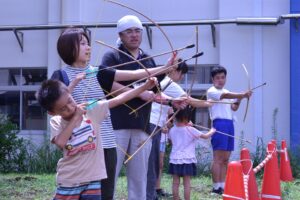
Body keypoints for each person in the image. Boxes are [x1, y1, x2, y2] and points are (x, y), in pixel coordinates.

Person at [51, 28, 177, 200]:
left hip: (106, 143)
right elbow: (55, 108)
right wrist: (73, 84)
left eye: (88, 43)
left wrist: (164, 68)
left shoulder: (98, 72)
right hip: (79, 145)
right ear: (68, 47)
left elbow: (132, 75)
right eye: (81, 43)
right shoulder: (61, 75)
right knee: (74, 193)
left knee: (105, 194)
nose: (87, 47)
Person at [99, 15, 185, 200]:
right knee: (110, 175)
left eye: (137, 31)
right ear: (120, 35)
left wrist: (171, 101)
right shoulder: (112, 55)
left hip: (142, 125)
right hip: (116, 124)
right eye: (128, 31)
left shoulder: (148, 59)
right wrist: (139, 92)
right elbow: (105, 83)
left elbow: (154, 93)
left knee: (139, 178)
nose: (134, 35)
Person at [36, 77, 157, 200]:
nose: (70, 108)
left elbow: (118, 100)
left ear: (70, 94)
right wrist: (76, 117)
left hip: (93, 179)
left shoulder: (91, 109)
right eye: (63, 108)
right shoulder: (56, 121)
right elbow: (60, 143)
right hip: (69, 180)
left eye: (69, 101)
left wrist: (144, 87)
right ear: (52, 112)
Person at [147, 59, 211, 200]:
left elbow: (172, 105)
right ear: (174, 71)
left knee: (154, 162)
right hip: (153, 123)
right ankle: (150, 195)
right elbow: (188, 100)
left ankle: (151, 193)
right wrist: (208, 102)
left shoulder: (164, 83)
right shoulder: (170, 83)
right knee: (152, 163)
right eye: (181, 74)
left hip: (156, 124)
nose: (181, 78)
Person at [207, 66, 252, 195]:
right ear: (213, 79)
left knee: (226, 158)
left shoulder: (227, 91)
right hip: (219, 124)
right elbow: (225, 95)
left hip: (229, 124)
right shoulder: (212, 91)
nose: (220, 80)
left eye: (223, 77)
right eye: (217, 78)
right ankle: (216, 188)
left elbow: (234, 107)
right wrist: (241, 94)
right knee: (218, 158)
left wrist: (241, 98)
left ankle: (223, 186)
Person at [168, 106, 216, 200]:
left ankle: (176, 198)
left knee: (175, 182)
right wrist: (212, 130)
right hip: (187, 159)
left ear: (175, 117)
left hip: (174, 159)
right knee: (187, 183)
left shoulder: (172, 130)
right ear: (187, 118)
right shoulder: (190, 130)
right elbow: (205, 136)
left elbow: (170, 142)